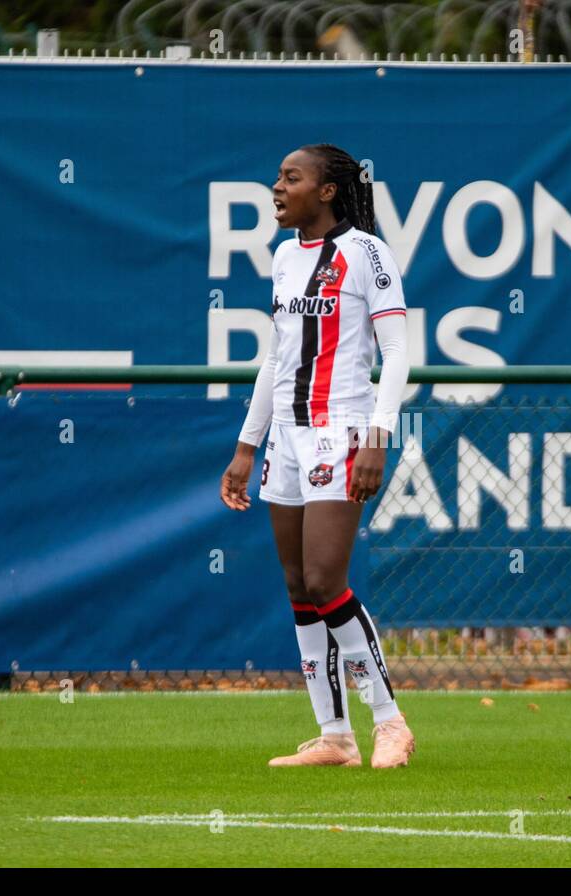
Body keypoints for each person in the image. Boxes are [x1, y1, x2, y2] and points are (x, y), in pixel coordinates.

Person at [219, 143, 415, 769]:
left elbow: (399, 351)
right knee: (298, 585)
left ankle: (390, 722)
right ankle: (335, 736)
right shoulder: (282, 257)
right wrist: (248, 446)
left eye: (290, 178)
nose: (276, 186)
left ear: (327, 191)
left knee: (327, 579)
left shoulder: (366, 253)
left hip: (343, 430)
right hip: (287, 440)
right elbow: (276, 359)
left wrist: (378, 439)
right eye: (277, 175)